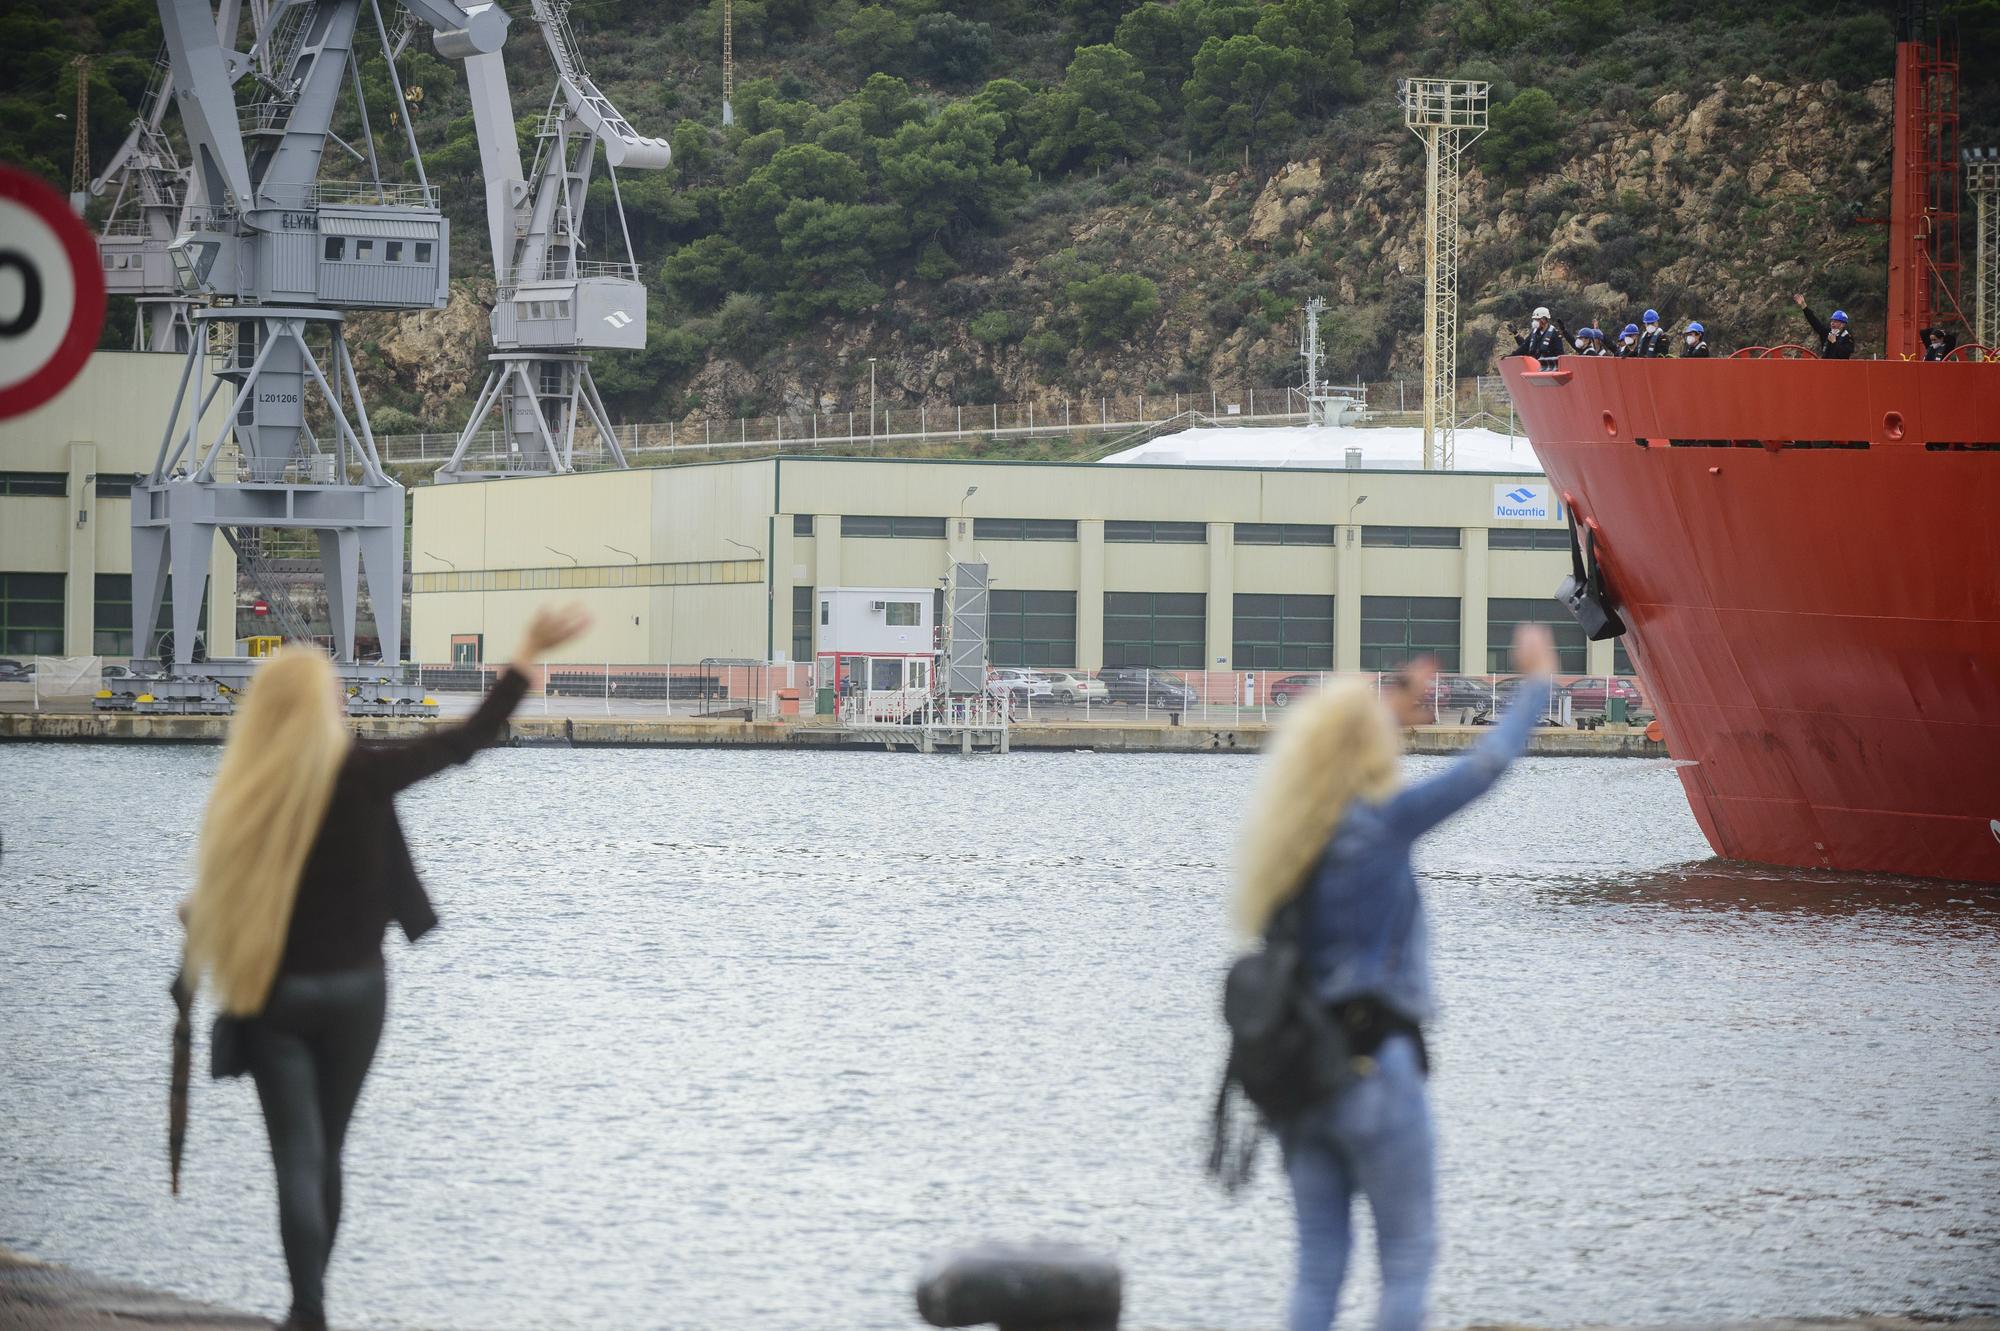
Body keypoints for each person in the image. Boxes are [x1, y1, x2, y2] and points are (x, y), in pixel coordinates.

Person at [178, 604, 591, 1331]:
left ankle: (307, 1310)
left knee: (298, 1159)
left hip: (276, 993)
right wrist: (524, 652)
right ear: (325, 705)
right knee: (330, 1151)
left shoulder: (247, 793)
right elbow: (463, 740)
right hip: (358, 994)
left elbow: (216, 896)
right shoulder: (364, 773)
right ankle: (310, 1310)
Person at [1232, 625, 1557, 1331]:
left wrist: (1399, 696)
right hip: (1378, 1067)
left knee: (1319, 1264)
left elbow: (1340, 739)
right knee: (1406, 1256)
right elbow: (1485, 766)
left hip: (1302, 1082)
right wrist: (1536, 687)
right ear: (1366, 744)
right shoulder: (1378, 828)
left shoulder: (1283, 846)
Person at [1793, 294, 1854, 359]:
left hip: (1839, 367)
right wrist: (1803, 305)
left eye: (1836, 322)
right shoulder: (1826, 333)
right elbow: (1814, 322)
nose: (1832, 324)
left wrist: (1834, 342)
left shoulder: (1847, 337)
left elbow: (1845, 354)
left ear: (1843, 324)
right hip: (1825, 366)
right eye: (1832, 321)